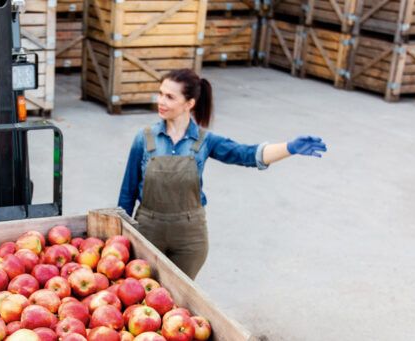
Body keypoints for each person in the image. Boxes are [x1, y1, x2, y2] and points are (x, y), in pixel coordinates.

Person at [117, 69, 327, 279]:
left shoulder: (205, 140)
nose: (160, 101)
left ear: (189, 103)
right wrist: (119, 235)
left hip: (189, 237)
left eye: (170, 97)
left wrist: (289, 148)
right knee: (139, 295)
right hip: (147, 230)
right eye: (160, 93)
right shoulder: (144, 138)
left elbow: (245, 154)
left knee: (180, 303)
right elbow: (128, 191)